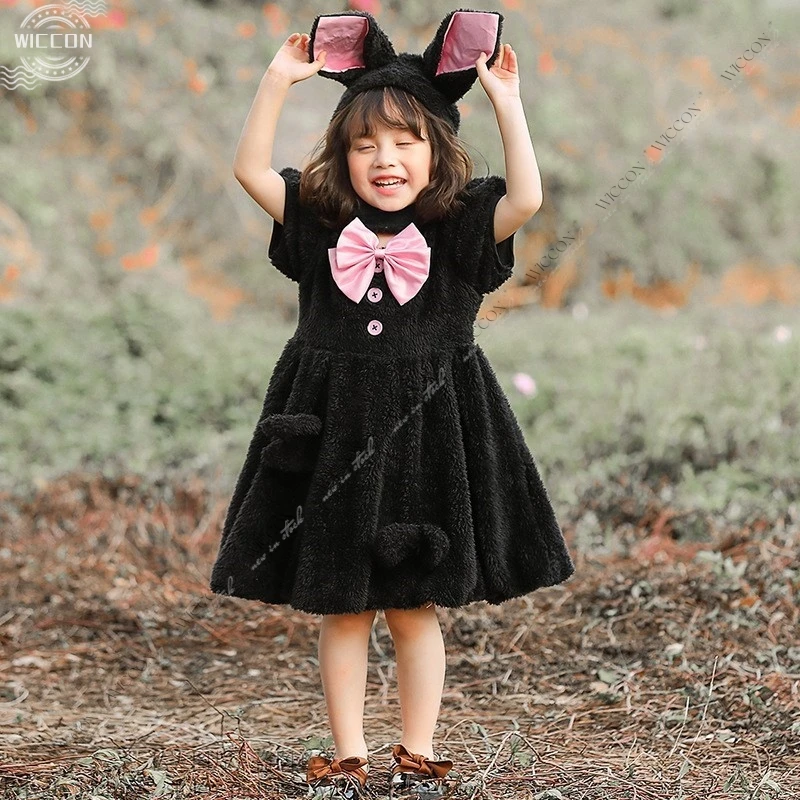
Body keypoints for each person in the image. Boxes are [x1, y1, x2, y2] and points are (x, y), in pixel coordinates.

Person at [209, 9, 575, 800]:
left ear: (438, 151)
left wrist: (507, 100)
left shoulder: (461, 225)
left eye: (407, 142)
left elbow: (530, 197)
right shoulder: (319, 219)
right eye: (365, 142)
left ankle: (417, 750)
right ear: (342, 154)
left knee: (412, 608)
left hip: (427, 434)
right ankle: (348, 754)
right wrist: (276, 83)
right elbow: (248, 172)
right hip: (332, 433)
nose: (386, 158)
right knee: (340, 607)